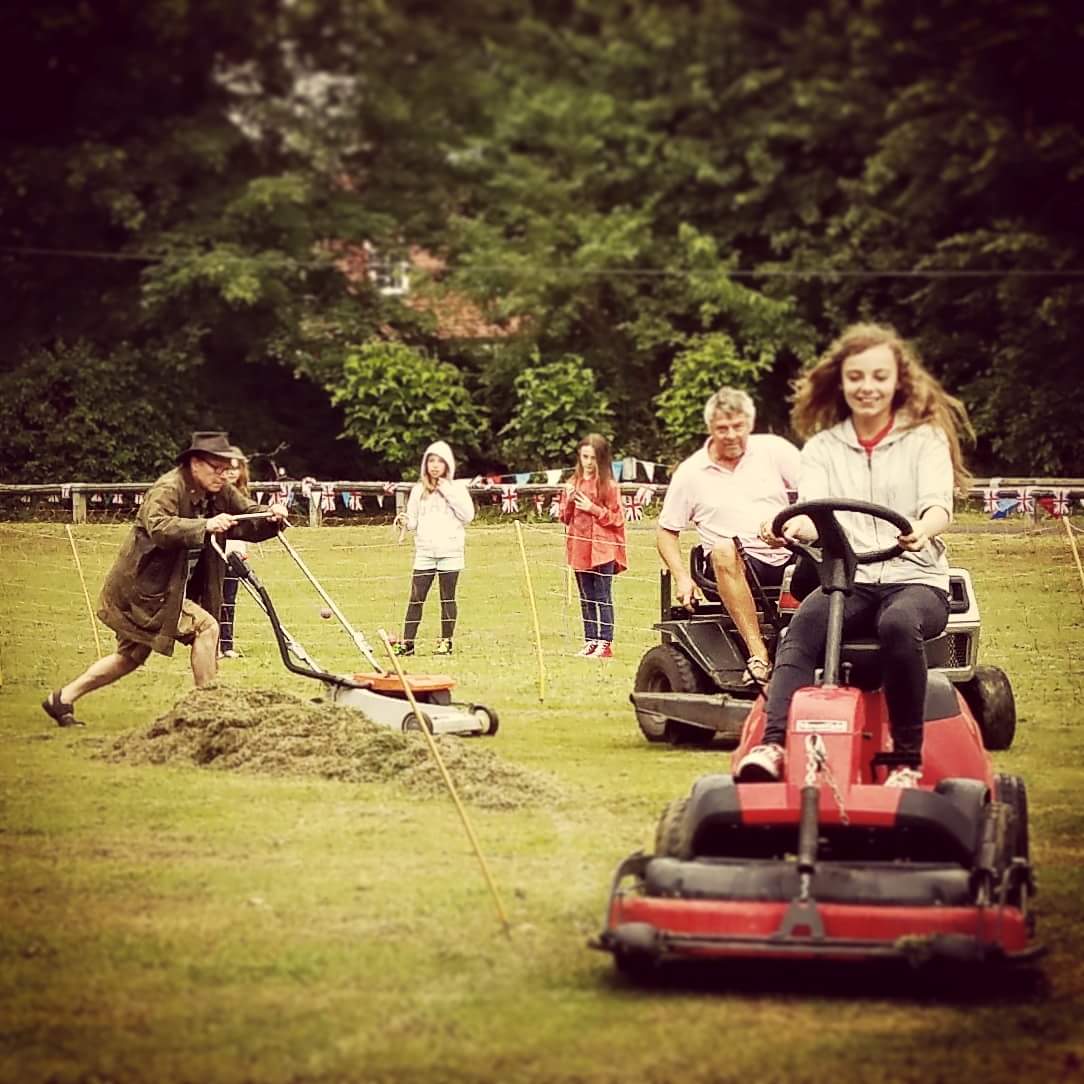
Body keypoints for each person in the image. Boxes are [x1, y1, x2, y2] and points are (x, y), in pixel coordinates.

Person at [737, 323, 973, 788]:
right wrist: (785, 526)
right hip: (852, 578)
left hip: (916, 578)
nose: (868, 387)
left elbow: (937, 505)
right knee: (803, 623)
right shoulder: (824, 448)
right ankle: (774, 743)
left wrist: (922, 529)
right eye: (857, 377)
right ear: (841, 383)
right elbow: (813, 515)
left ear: (897, 382)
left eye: (879, 377)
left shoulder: (924, 440)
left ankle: (906, 760)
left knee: (899, 624)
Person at [41, 432, 290, 727]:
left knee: (129, 658)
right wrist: (205, 524)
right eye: (217, 467)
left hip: (171, 590)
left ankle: (62, 699)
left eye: (226, 469)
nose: (223, 475)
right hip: (146, 591)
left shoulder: (218, 489)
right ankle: (208, 712)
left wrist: (271, 515)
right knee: (207, 628)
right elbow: (160, 528)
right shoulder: (168, 488)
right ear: (196, 463)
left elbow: (247, 512)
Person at [656, 387, 801, 683]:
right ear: (710, 428)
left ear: (750, 423)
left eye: (738, 427)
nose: (732, 435)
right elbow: (666, 531)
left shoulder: (775, 450)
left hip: (788, 554)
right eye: (723, 428)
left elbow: (816, 491)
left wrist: (792, 526)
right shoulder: (691, 472)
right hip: (733, 565)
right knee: (722, 548)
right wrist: (683, 577)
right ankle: (758, 656)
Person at [393, 440, 475, 656]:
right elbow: (413, 521)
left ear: (447, 464)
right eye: (431, 461)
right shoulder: (418, 490)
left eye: (440, 461)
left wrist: (447, 492)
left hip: (450, 551)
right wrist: (405, 521)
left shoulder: (457, 489)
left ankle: (446, 641)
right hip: (425, 552)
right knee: (416, 597)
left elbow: (468, 516)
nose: (435, 465)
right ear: (425, 464)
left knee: (447, 596)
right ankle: (408, 643)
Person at [559, 433, 628, 659]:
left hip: (602, 549)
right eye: (584, 457)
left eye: (593, 458)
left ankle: (605, 642)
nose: (588, 462)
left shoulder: (608, 485)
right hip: (579, 547)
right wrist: (568, 501)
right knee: (586, 597)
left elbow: (617, 519)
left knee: (602, 595)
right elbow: (564, 517)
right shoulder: (572, 483)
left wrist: (592, 508)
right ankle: (590, 640)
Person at [218, 456, 252, 659]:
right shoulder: (213, 496)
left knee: (229, 600)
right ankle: (211, 645)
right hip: (214, 551)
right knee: (213, 599)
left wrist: (242, 551)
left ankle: (227, 645)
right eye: (227, 468)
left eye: (235, 469)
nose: (231, 472)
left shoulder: (243, 498)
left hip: (235, 553)